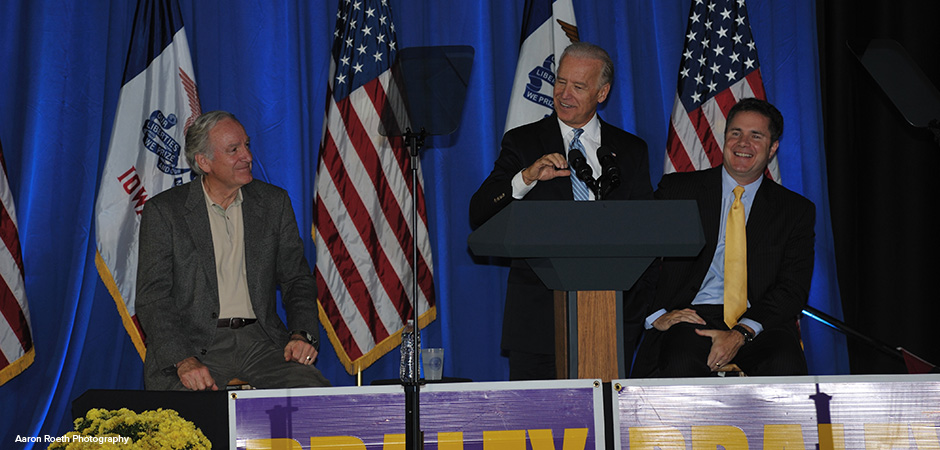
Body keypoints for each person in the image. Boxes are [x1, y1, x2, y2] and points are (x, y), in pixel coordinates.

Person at [469, 42, 653, 380]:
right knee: (537, 427)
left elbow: (647, 232)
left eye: (579, 86)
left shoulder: (630, 151)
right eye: (560, 82)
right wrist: (525, 177)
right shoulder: (524, 143)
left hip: (612, 320)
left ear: (602, 92)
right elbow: (479, 212)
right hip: (538, 319)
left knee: (602, 427)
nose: (564, 94)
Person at [137, 110, 330, 390]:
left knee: (315, 399)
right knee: (186, 423)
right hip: (194, 345)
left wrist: (302, 335)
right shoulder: (165, 212)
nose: (248, 157)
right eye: (233, 150)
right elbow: (152, 297)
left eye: (247, 145)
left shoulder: (273, 203)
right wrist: (182, 360)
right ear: (204, 162)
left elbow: (297, 279)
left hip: (262, 343)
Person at [631, 98, 814, 378]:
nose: (743, 143)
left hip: (759, 322)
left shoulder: (795, 210)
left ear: (773, 147)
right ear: (724, 138)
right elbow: (638, 256)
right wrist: (657, 315)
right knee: (679, 360)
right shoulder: (679, 190)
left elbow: (793, 288)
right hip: (691, 317)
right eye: (735, 133)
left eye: (756, 136)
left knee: (785, 364)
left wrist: (741, 332)